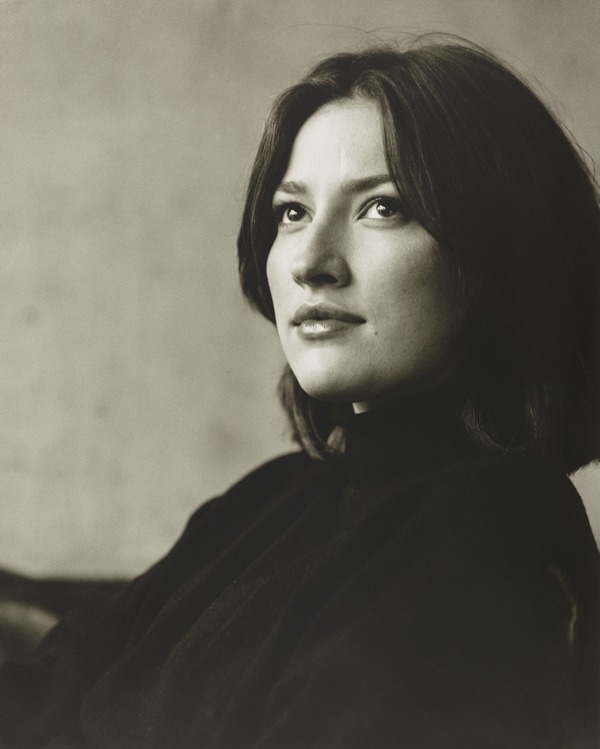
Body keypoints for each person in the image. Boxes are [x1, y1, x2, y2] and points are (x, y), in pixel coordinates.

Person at [1, 37, 599, 748]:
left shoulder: (483, 538)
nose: (311, 262)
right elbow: (43, 690)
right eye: (292, 213)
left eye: (383, 207)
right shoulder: (269, 499)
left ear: (503, 256)